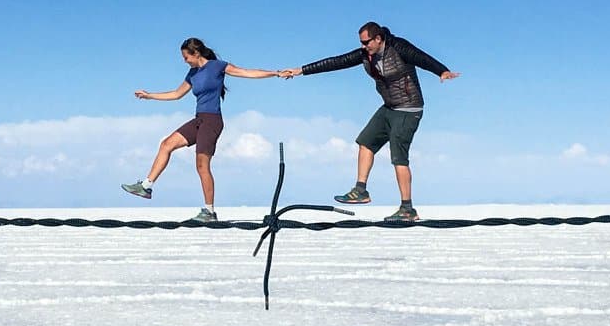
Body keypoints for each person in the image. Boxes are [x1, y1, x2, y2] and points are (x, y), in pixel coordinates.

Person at [279, 21, 459, 223]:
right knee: (365, 142)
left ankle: (407, 209)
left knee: (399, 157)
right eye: (361, 43)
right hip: (389, 107)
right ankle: (360, 191)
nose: (363, 47)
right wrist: (301, 70)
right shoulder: (365, 54)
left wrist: (442, 71)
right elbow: (336, 62)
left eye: (366, 43)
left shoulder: (399, 47)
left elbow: (422, 58)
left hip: (409, 108)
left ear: (378, 38)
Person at [123, 38, 277, 224]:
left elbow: (246, 73)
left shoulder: (217, 66)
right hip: (199, 120)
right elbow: (176, 94)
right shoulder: (192, 74)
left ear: (196, 54)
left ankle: (209, 211)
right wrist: (150, 96)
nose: (184, 60)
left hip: (212, 121)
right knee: (166, 144)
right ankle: (146, 187)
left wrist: (275, 73)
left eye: (186, 57)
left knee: (202, 166)